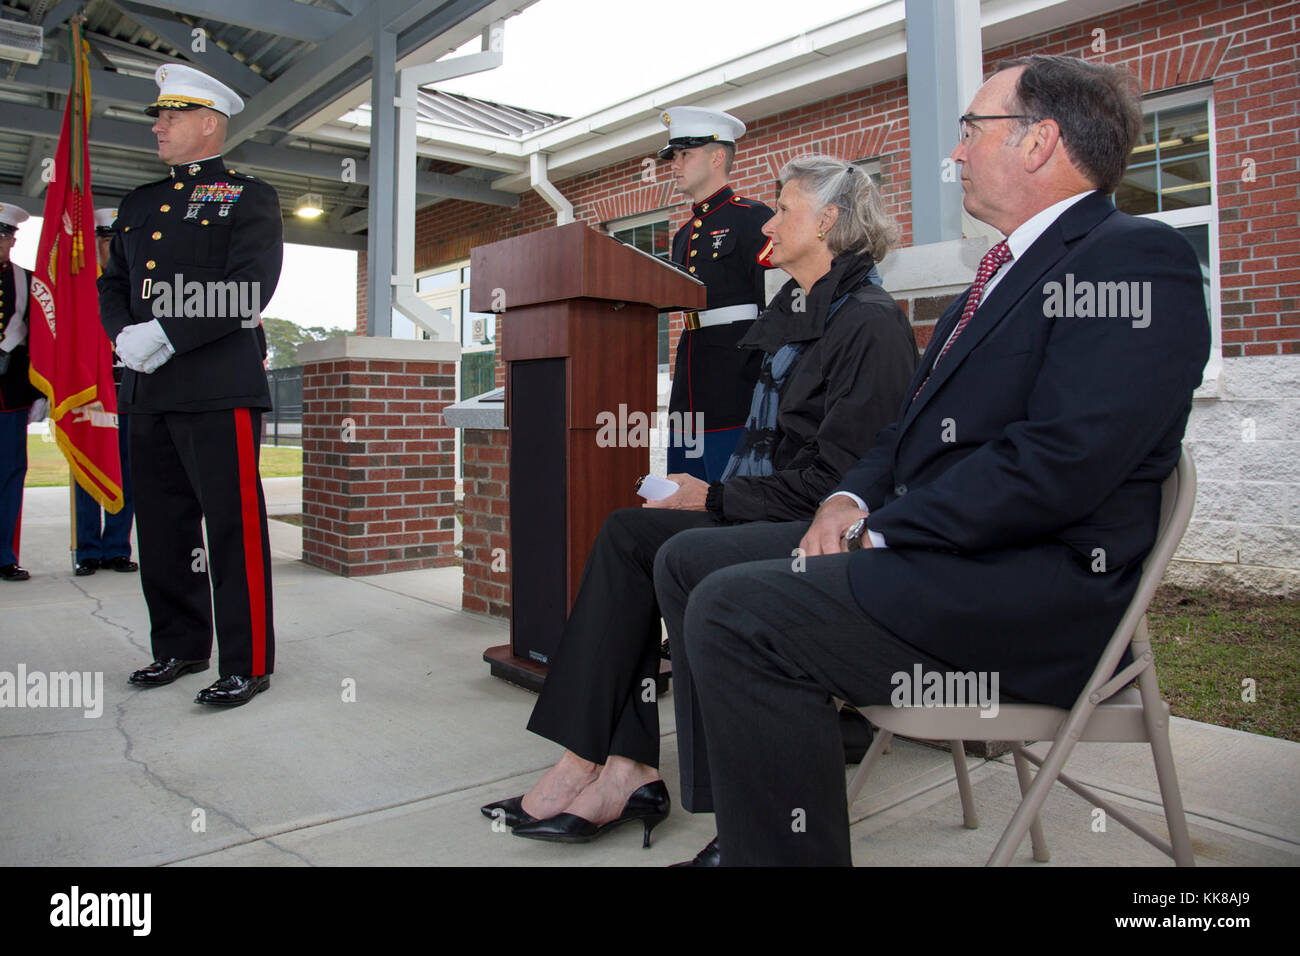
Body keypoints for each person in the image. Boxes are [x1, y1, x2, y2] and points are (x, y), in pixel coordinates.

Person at [654, 54, 1212, 865]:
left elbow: (1061, 461)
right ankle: (753, 832)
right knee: (699, 565)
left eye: (970, 131)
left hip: (1028, 590)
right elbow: (902, 436)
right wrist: (847, 504)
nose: (954, 155)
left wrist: (878, 531)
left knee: (739, 609)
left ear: (1038, 142)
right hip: (948, 556)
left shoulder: (1133, 258)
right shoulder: (992, 278)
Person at [481, 154, 918, 847]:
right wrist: (713, 495)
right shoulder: (796, 308)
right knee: (627, 534)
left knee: (682, 553)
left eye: (784, 209)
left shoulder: (869, 323)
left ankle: (724, 807)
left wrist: (713, 496)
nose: (769, 221)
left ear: (828, 222)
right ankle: (612, 762)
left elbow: (847, 483)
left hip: (824, 533)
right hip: (773, 505)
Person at [98, 64, 283, 708]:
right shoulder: (139, 202)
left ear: (209, 123)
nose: (158, 126)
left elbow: (248, 285)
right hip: (147, 387)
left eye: (170, 117)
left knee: (232, 526)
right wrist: (123, 334)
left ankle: (247, 659)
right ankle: (178, 646)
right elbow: (112, 283)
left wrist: (168, 332)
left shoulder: (247, 195)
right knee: (162, 525)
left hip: (214, 383)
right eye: (159, 116)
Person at [658, 106, 772, 481]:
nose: (674, 163)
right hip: (691, 381)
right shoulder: (683, 234)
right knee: (682, 493)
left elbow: (773, 308)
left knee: (728, 495)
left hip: (735, 385)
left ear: (718, 155)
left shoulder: (753, 219)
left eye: (684, 154)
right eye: (673, 155)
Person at [73, 208, 138, 577]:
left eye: (116, 242)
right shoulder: (78, 286)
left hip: (126, 393)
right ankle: (87, 550)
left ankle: (117, 548)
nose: (110, 248)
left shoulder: (135, 284)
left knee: (126, 474)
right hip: (90, 396)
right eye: (105, 241)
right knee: (88, 471)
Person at [0, 203, 44, 582]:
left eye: (4, 235)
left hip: (10, 396)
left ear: (14, 240)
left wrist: (42, 391)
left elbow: (41, 341)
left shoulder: (28, 280)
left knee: (11, 475)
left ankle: (4, 556)